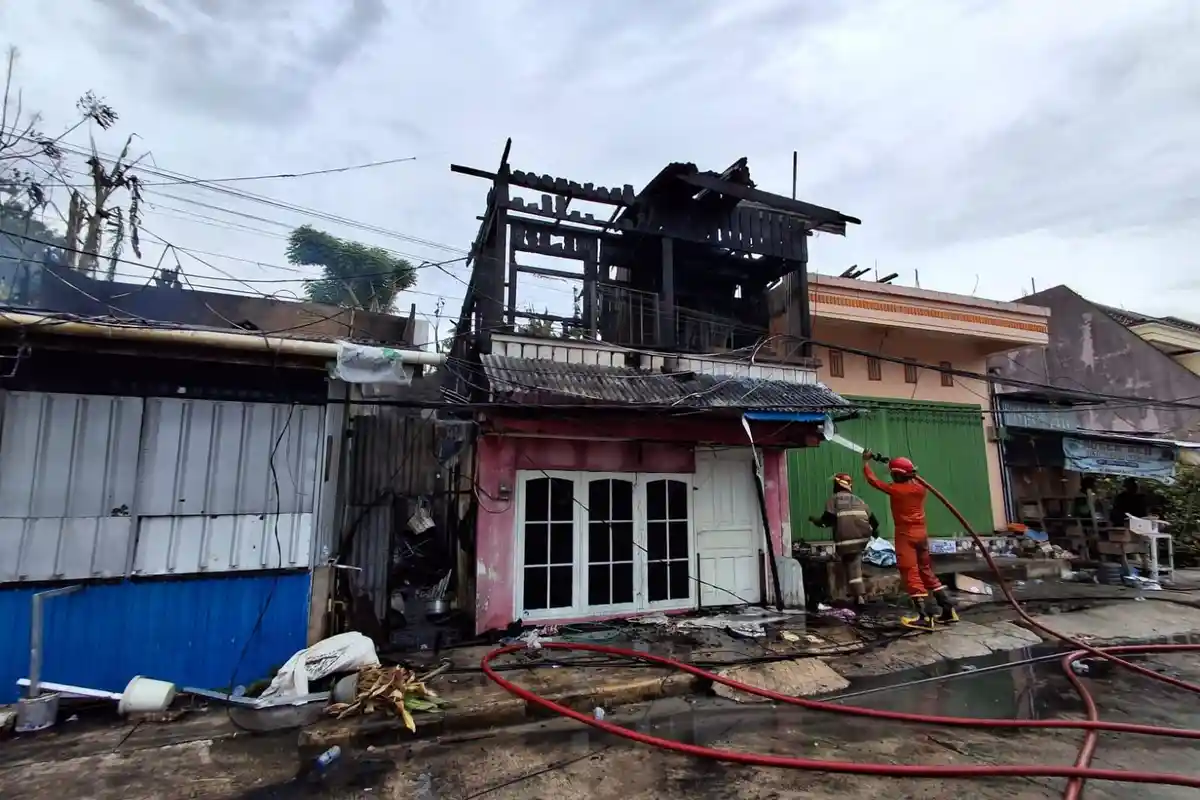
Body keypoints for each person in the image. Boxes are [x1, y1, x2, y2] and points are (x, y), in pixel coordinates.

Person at [860, 450, 958, 626]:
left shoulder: (896, 490)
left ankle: (924, 617)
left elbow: (873, 481)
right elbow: (907, 477)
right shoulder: (920, 489)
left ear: (897, 476)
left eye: (893, 474)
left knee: (910, 572)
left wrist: (866, 464)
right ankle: (948, 608)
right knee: (926, 571)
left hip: (906, 534)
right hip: (921, 533)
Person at [809, 472, 878, 608]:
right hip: (862, 538)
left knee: (849, 563)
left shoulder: (833, 500)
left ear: (836, 485)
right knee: (854, 564)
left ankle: (857, 596)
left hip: (845, 540)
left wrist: (814, 520)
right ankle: (858, 595)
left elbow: (826, 521)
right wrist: (874, 534)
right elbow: (874, 522)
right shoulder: (859, 500)